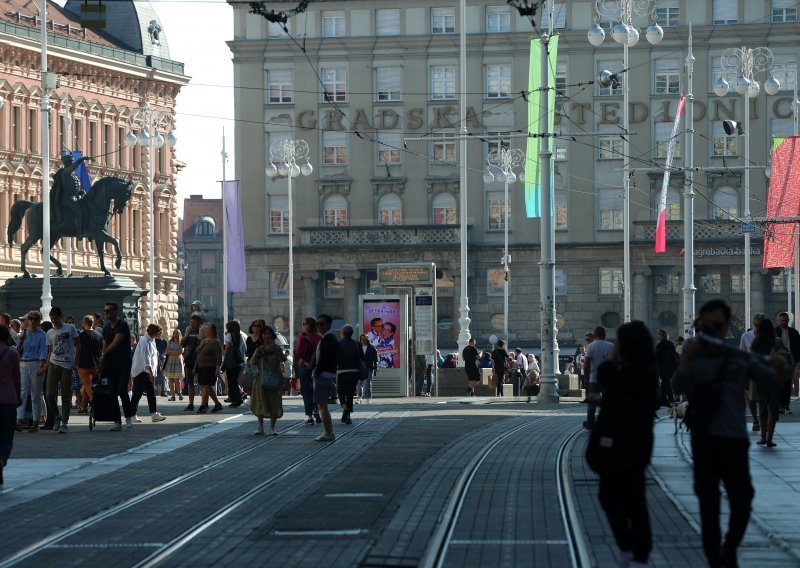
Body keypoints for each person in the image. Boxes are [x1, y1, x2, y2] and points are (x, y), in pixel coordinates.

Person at [672, 299, 777, 568]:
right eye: (706, 325)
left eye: (716, 325)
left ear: (726, 326)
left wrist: (780, 363)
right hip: (704, 438)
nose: (711, 330)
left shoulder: (737, 356)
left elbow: (770, 374)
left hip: (733, 439)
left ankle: (728, 547)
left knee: (743, 499)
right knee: (708, 504)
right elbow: (676, 386)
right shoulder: (693, 357)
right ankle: (714, 558)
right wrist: (686, 359)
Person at [587, 321, 660, 568]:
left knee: (613, 497)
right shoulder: (647, 372)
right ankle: (636, 551)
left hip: (621, 444)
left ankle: (634, 550)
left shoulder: (630, 371)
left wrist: (613, 354)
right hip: (637, 445)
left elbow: (606, 375)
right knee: (633, 499)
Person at [750, 318, 788, 448]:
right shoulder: (777, 342)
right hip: (775, 378)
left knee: (763, 407)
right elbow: (786, 357)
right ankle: (770, 438)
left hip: (761, 378)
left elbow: (751, 361)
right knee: (773, 408)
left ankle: (763, 437)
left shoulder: (756, 343)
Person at [44, 307, 79, 433]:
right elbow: (49, 351)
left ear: (60, 316)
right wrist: (45, 366)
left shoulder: (70, 328)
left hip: (66, 365)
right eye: (52, 319)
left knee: (66, 395)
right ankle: (57, 416)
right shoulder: (49, 333)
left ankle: (64, 423)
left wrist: (75, 361)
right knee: (49, 394)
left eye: (55, 318)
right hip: (53, 363)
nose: (54, 321)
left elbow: (78, 343)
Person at [101, 302, 134, 431]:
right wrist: (103, 357)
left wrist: (103, 354)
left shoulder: (123, 325)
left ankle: (129, 417)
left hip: (123, 362)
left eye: (108, 311)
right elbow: (105, 344)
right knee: (111, 393)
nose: (106, 313)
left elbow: (115, 343)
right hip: (111, 363)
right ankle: (117, 421)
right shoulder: (106, 328)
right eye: (105, 311)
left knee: (122, 390)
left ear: (115, 312)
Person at [250, 325, 285, 435]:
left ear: (272, 335)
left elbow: (283, 359)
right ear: (262, 336)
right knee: (261, 401)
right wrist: (259, 352)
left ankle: (272, 428)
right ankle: (260, 427)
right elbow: (252, 362)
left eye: (268, 334)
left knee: (273, 402)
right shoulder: (259, 348)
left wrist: (277, 352)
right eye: (264, 334)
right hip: (261, 378)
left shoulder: (276, 348)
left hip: (274, 377)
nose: (266, 336)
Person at [16, 311, 47, 433]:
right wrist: (21, 340)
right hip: (22, 363)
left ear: (39, 321)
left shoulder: (42, 335)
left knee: (35, 395)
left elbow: (43, 351)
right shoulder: (24, 333)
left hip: (35, 363)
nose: (33, 321)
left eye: (36, 319)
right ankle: (18, 420)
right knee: (22, 393)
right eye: (31, 319)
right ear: (28, 320)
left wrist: (41, 366)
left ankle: (35, 423)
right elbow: (18, 351)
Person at [130, 324, 167, 423]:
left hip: (146, 371)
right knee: (137, 394)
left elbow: (153, 355)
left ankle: (154, 414)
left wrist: (155, 368)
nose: (160, 334)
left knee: (151, 393)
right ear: (154, 332)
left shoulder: (151, 340)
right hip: (142, 371)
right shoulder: (145, 341)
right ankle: (131, 415)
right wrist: (150, 372)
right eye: (159, 332)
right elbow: (146, 358)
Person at [0, 326, 21, 485]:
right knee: (7, 437)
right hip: (8, 400)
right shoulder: (13, 354)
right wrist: (19, 397)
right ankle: (1, 461)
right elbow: (17, 379)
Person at [311, 314, 337, 442]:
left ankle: (328, 433)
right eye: (317, 324)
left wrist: (316, 372)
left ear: (328, 324)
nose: (318, 326)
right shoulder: (327, 338)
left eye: (321, 323)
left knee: (322, 406)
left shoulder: (328, 338)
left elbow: (325, 359)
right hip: (326, 374)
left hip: (323, 375)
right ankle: (328, 432)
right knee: (322, 405)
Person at [583, 326, 614, 431]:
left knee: (592, 403)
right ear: (605, 335)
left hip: (594, 379)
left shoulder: (591, 346)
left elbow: (586, 364)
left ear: (595, 336)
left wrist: (586, 379)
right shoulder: (611, 346)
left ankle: (591, 423)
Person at [51, 151, 89, 235]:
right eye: (71, 161)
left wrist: (80, 192)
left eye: (72, 161)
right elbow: (74, 166)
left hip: (76, 197)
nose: (72, 162)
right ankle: (79, 231)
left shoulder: (72, 173)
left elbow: (72, 186)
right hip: (68, 198)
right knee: (79, 211)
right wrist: (81, 159)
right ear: (67, 162)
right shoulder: (66, 172)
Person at [739, 313, 765, 432]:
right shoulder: (746, 336)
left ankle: (763, 421)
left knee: (765, 399)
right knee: (752, 398)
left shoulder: (771, 336)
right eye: (757, 325)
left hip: (766, 372)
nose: (759, 327)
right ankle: (755, 420)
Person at [75, 315, 102, 414]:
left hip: (83, 364)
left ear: (85, 323)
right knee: (87, 386)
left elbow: (78, 350)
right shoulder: (98, 335)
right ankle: (84, 407)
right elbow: (101, 350)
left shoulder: (81, 336)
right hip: (95, 364)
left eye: (82, 322)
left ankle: (96, 406)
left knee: (87, 385)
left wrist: (75, 362)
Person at [193, 322, 223, 413]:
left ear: (211, 330)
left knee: (205, 386)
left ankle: (204, 405)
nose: (204, 330)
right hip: (201, 366)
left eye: (206, 329)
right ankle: (217, 404)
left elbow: (219, 357)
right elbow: (198, 352)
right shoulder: (204, 340)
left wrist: (217, 369)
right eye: (204, 329)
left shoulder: (215, 342)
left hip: (210, 367)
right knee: (207, 387)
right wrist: (195, 367)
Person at [336, 324, 362, 425]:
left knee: (341, 391)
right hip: (354, 371)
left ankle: (344, 407)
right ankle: (348, 417)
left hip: (342, 371)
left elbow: (336, 359)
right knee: (350, 393)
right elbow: (362, 357)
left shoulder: (339, 344)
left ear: (342, 333)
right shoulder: (356, 343)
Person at [774, 312, 798, 415]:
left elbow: (798, 347)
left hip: (790, 359)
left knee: (788, 383)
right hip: (778, 359)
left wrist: (797, 360)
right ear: (778, 321)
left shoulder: (793, 332)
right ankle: (779, 405)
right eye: (782, 320)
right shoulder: (774, 332)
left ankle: (786, 406)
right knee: (778, 383)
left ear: (788, 321)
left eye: (785, 320)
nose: (784, 322)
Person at [222, 320, 247, 408]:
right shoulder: (241, 335)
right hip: (239, 361)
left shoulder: (229, 335)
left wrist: (224, 357)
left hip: (231, 361)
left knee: (231, 381)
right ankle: (237, 398)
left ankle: (236, 399)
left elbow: (227, 347)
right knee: (235, 381)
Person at [181, 315, 202, 411]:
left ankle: (204, 403)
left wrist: (200, 337)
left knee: (203, 383)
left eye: (193, 322)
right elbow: (182, 344)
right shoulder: (188, 331)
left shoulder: (202, 331)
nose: (191, 324)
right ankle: (191, 404)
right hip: (190, 359)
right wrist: (186, 335)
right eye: (190, 322)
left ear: (198, 322)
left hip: (200, 360)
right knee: (190, 382)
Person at [655, 328, 679, 407]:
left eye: (658, 334)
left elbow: (657, 358)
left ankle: (671, 399)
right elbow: (674, 355)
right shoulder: (670, 344)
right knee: (664, 384)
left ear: (661, 335)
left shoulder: (659, 345)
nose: (657, 335)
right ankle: (661, 400)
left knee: (666, 383)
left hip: (663, 368)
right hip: (671, 368)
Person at [165, 330, 184, 401]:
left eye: (176, 333)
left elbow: (181, 351)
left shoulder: (181, 342)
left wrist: (172, 352)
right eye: (174, 333)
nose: (175, 334)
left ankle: (179, 393)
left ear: (179, 334)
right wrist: (175, 352)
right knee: (171, 379)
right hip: (170, 361)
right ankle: (173, 396)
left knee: (177, 379)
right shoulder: (169, 341)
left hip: (178, 361)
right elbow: (167, 351)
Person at [358, 333, 377, 404]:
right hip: (360, 368)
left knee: (368, 384)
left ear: (367, 339)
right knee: (360, 383)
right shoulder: (358, 347)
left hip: (369, 368)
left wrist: (375, 367)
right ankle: (359, 398)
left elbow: (375, 359)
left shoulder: (372, 347)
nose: (363, 340)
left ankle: (368, 398)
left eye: (364, 339)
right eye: (362, 339)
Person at [154, 330, 168, 397]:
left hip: (162, 359)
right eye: (157, 334)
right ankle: (154, 390)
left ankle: (164, 391)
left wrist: (163, 356)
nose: (158, 335)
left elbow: (166, 350)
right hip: (154, 359)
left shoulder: (164, 341)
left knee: (163, 376)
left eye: (159, 333)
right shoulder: (153, 341)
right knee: (155, 375)